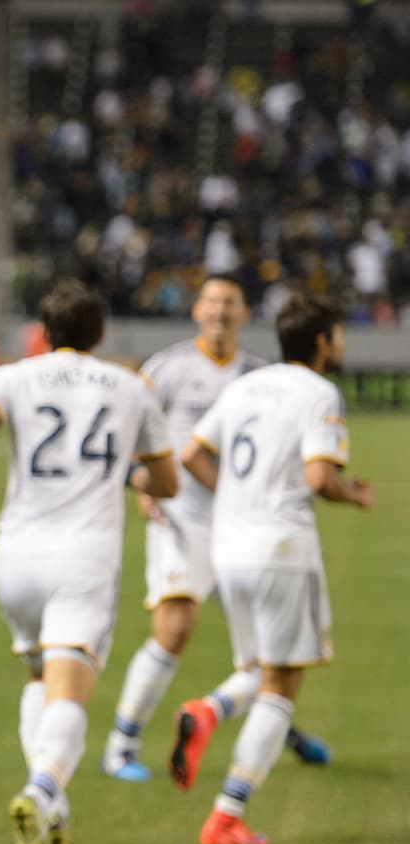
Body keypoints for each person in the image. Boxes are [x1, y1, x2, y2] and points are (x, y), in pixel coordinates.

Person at [0, 279, 177, 844]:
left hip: (16, 555)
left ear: (44, 333)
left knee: (37, 677)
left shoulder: (12, 376)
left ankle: (56, 803)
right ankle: (41, 790)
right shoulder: (131, 387)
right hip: (83, 558)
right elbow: (169, 481)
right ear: (99, 334)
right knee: (69, 690)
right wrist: (127, 475)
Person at [101, 275, 331, 780]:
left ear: (244, 312)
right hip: (181, 517)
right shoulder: (170, 367)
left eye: (230, 302)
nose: (220, 311)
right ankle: (121, 743)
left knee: (266, 648)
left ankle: (280, 729)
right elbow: (127, 427)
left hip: (241, 524)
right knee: (176, 627)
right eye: (211, 301)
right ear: (197, 311)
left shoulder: (257, 374)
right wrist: (143, 484)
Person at [170, 293, 372, 844]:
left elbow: (191, 454)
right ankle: (227, 814)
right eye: (338, 332)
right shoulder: (319, 392)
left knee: (261, 668)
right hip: (282, 548)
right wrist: (353, 495)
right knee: (282, 686)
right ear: (323, 341)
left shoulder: (244, 386)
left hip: (229, 547)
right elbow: (318, 479)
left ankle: (208, 710)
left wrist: (234, 499)